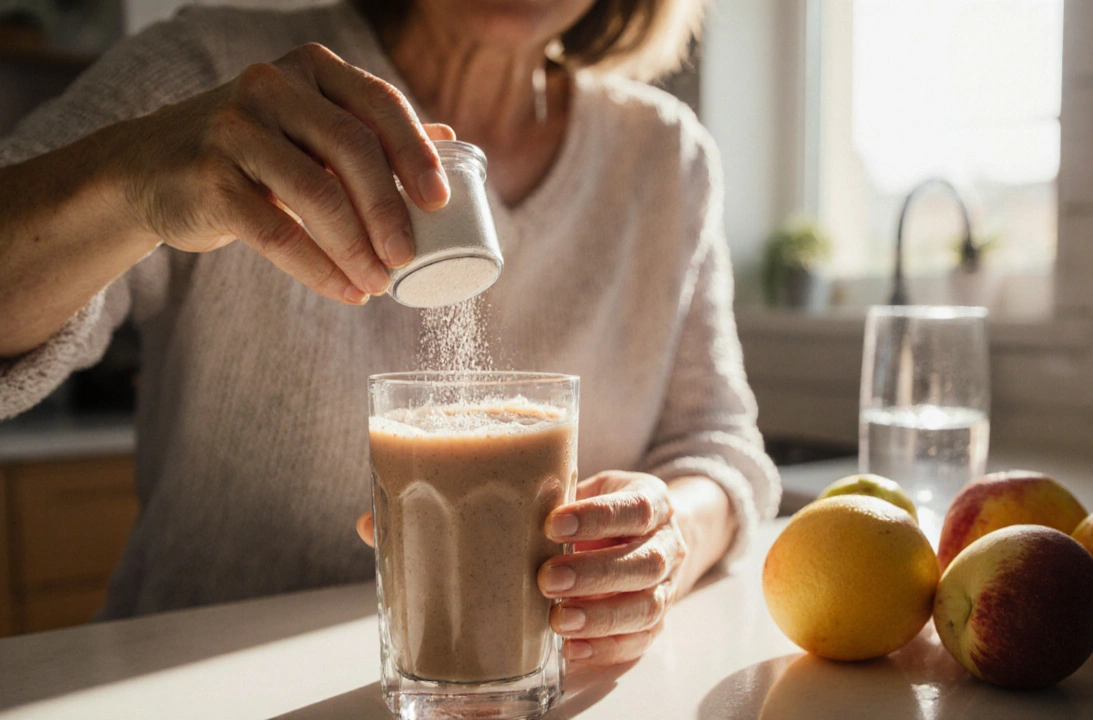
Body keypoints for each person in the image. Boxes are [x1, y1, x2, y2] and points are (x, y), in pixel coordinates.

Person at [0, 0, 779, 666]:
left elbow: (715, 443)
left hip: (520, 687)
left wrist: (668, 536)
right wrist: (128, 179)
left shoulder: (664, 155)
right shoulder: (220, 75)